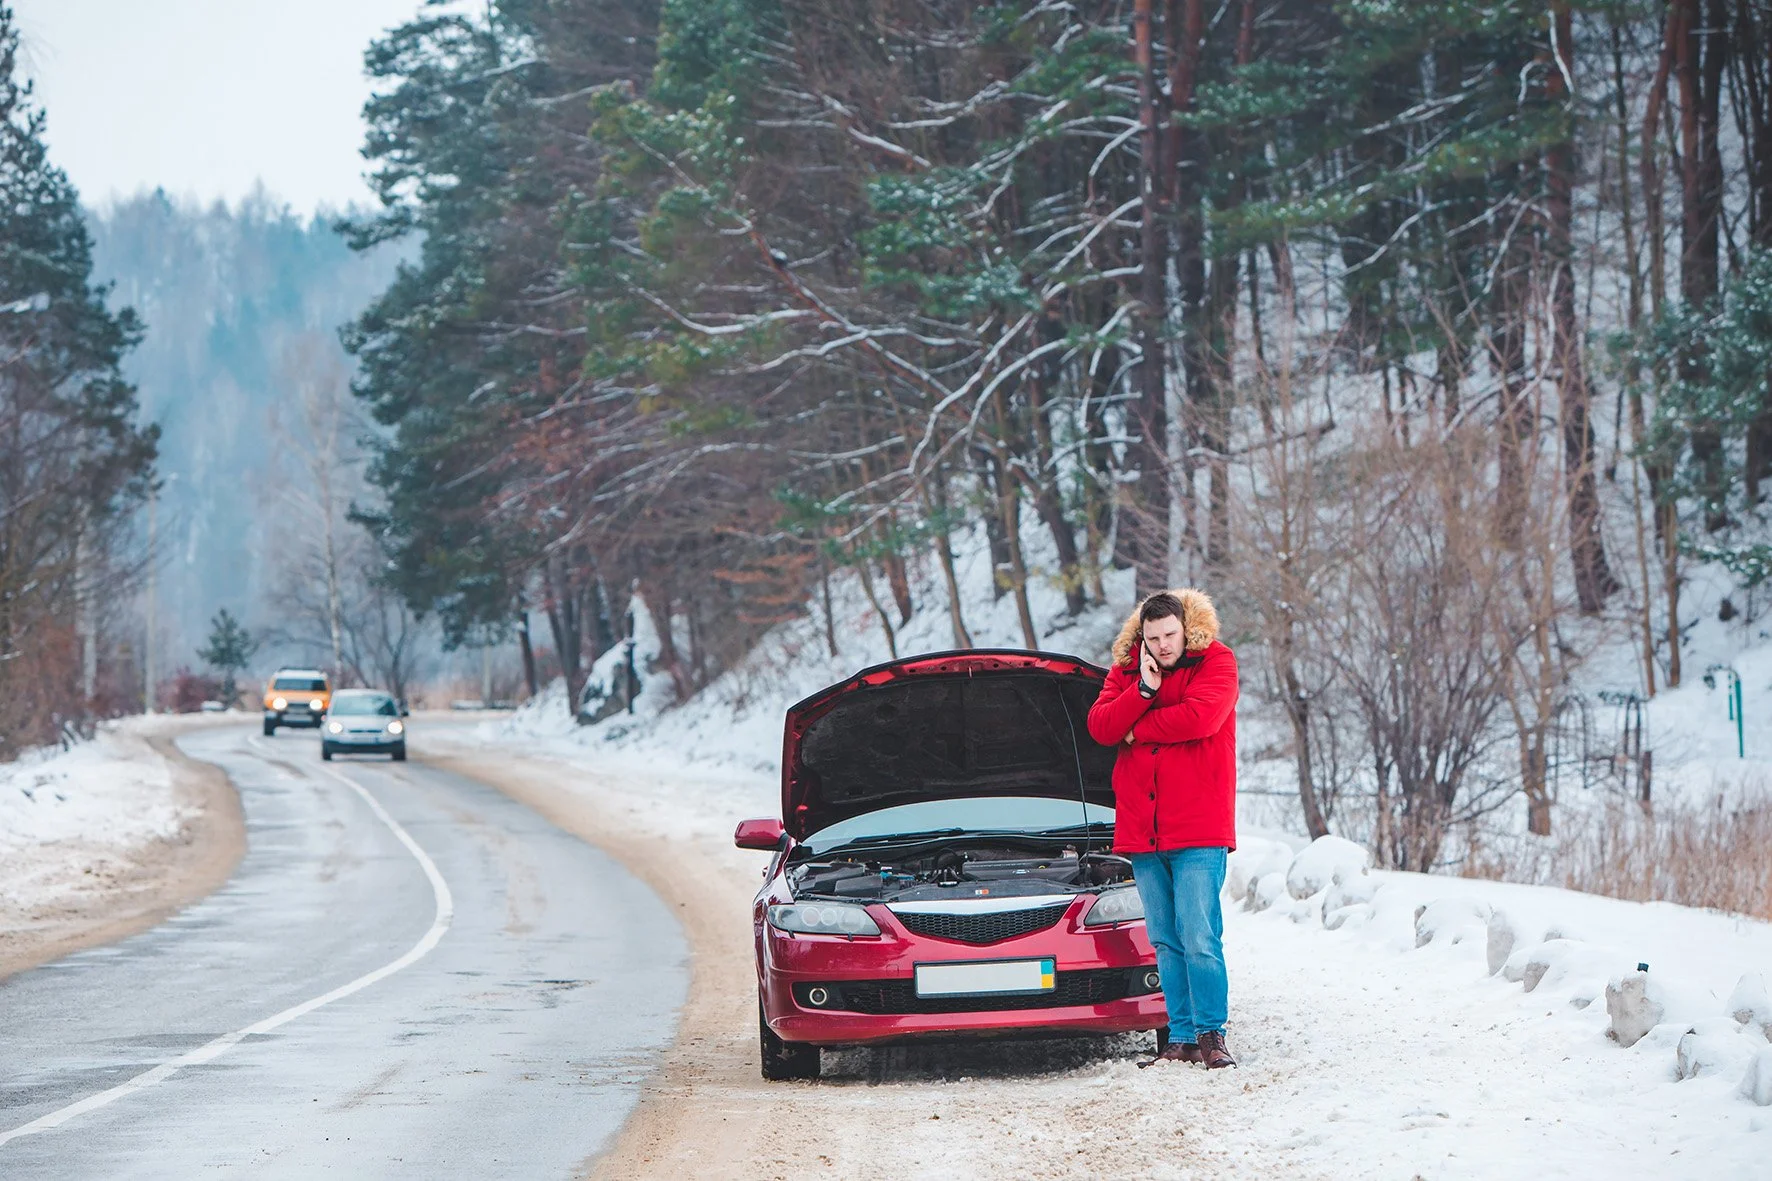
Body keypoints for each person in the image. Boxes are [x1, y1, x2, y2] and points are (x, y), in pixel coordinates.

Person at [1086, 588, 1239, 1068]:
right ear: (1142, 636)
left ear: (1185, 627)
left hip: (1198, 827)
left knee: (1199, 935)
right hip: (1144, 828)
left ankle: (1212, 1034)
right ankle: (1181, 1036)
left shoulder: (1217, 661)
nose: (1163, 646)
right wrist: (1144, 694)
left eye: (1170, 635)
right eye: (1153, 638)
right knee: (1164, 939)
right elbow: (1101, 727)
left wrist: (1139, 727)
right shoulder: (1128, 671)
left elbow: (1201, 717)